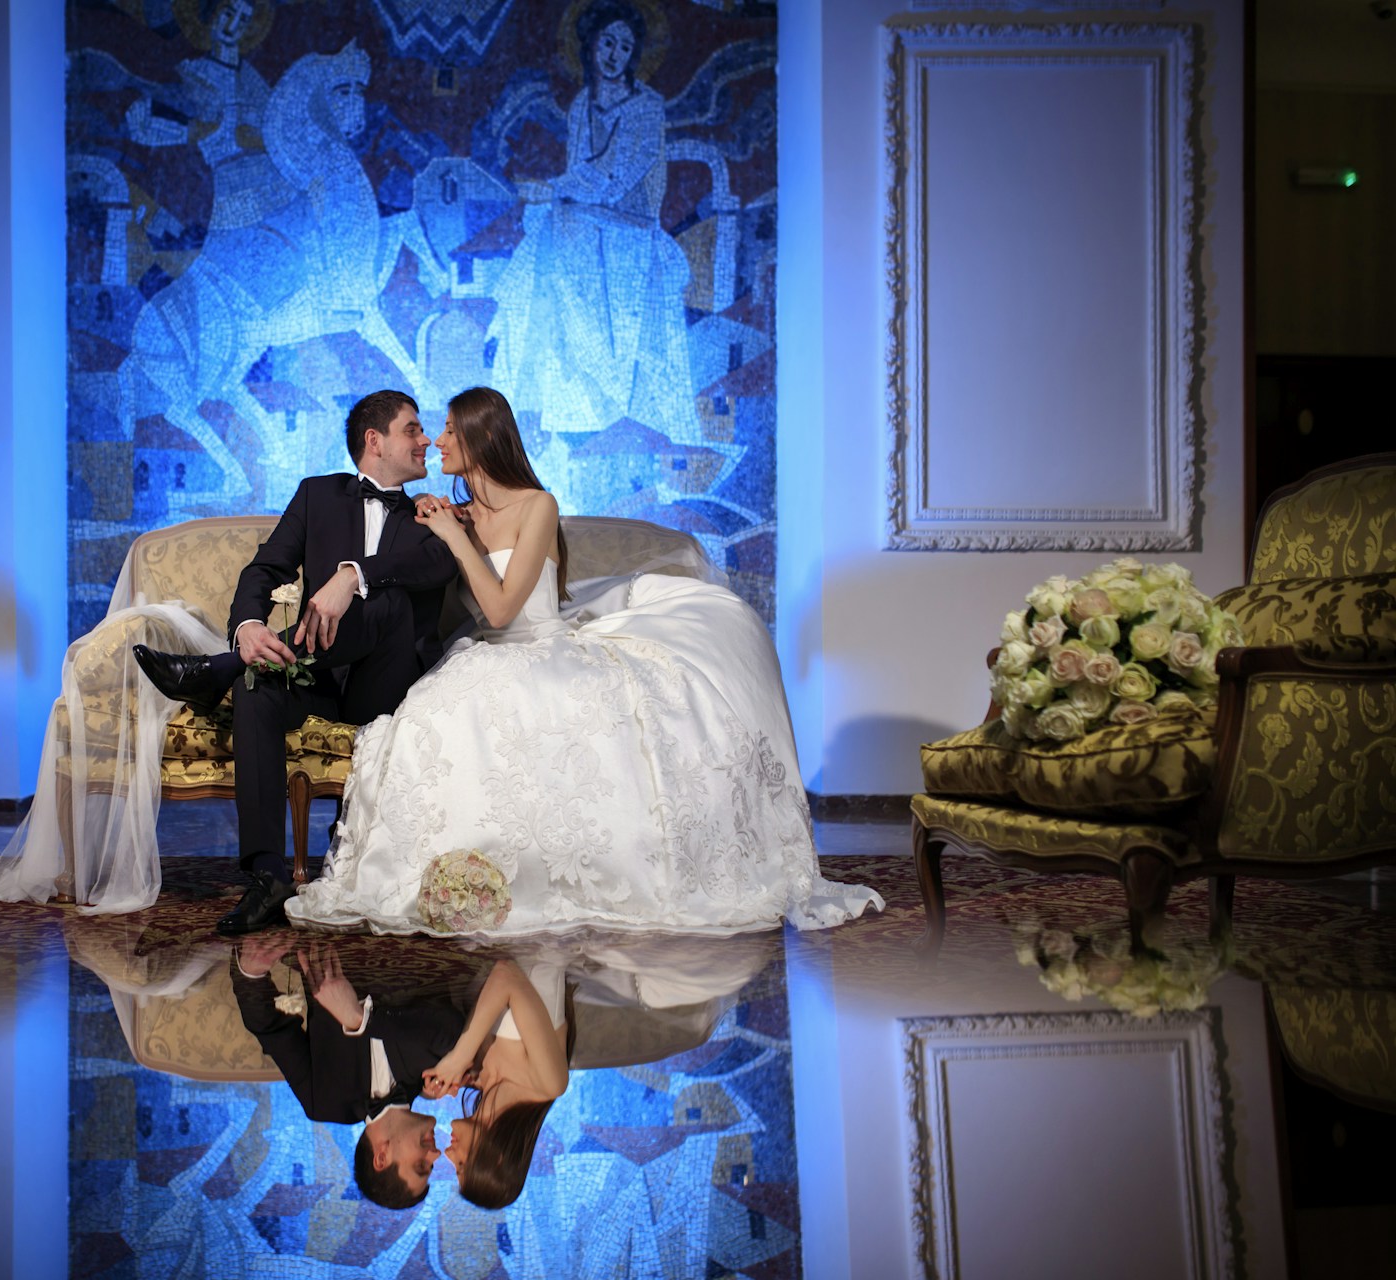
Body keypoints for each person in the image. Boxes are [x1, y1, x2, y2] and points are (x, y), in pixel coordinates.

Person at [283, 386, 883, 935]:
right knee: (429, 722)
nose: (436, 441)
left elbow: (499, 610)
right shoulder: (453, 514)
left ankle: (568, 872)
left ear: (479, 438)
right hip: (479, 655)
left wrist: (453, 536)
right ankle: (447, 870)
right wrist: (441, 530)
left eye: (445, 430)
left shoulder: (536, 505)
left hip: (535, 647)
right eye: (428, 430)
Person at [133, 390, 459, 933]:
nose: (425, 440)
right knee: (259, 685)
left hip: (389, 688)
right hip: (321, 675)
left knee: (389, 599)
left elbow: (437, 566)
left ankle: (215, 670)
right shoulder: (317, 495)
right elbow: (264, 571)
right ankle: (266, 875)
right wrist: (249, 628)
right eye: (412, 430)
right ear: (374, 441)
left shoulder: (430, 513)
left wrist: (351, 574)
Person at [487, 0, 696, 443]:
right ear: (590, 45)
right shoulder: (581, 104)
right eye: (608, 42)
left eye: (625, 45)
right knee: (543, 231)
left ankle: (589, 386)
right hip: (583, 220)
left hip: (630, 227)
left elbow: (616, 175)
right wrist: (554, 192)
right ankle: (535, 392)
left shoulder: (647, 108)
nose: (615, 54)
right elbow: (580, 175)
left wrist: (555, 188)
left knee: (552, 225)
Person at [231, 935, 461, 1209]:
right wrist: (360, 1020)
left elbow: (271, 1030)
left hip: (329, 930)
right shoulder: (438, 1075)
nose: (436, 1154)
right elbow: (452, 1027)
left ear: (381, 1157)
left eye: (421, 1165)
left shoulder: (324, 1103)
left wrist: (250, 973)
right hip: (410, 931)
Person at [421, 958, 571, 1210]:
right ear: (498, 1159)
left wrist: (441, 1078)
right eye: (461, 1165)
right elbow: (506, 974)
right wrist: (460, 1057)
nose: (448, 1154)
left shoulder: (481, 1080)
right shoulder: (548, 1084)